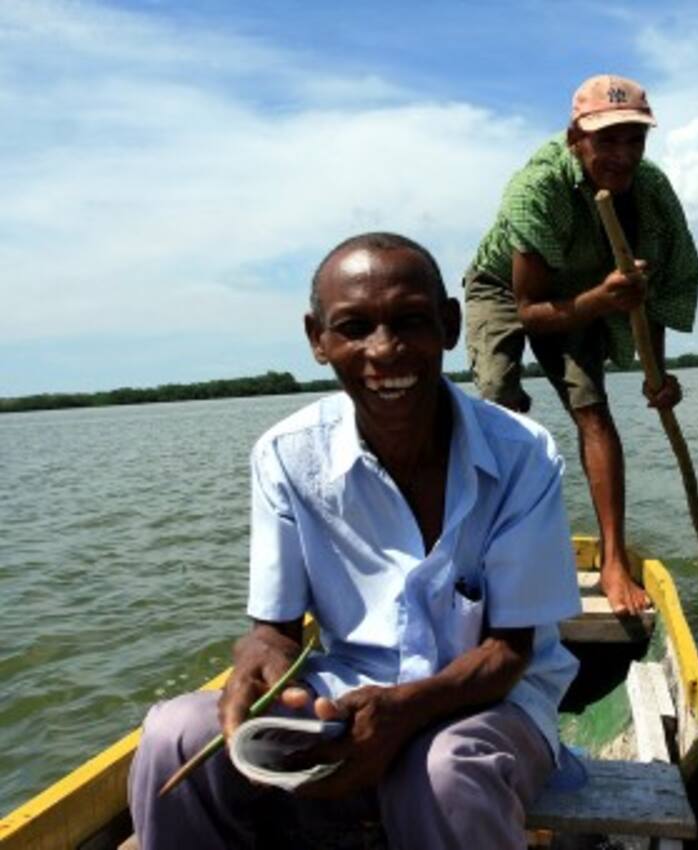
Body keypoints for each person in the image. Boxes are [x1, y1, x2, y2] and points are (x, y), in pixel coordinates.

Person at [128, 233, 582, 850]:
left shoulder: (524, 455)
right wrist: (254, 664)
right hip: (344, 693)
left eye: (411, 322)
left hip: (490, 703)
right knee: (173, 735)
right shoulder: (286, 457)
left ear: (449, 324)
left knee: (445, 770)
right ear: (319, 340)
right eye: (355, 327)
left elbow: (509, 652)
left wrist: (405, 712)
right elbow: (275, 631)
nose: (385, 350)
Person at [464, 73, 698, 615]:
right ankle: (492, 552)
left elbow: (653, 294)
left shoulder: (651, 195)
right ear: (576, 137)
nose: (621, 156)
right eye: (606, 140)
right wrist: (601, 299)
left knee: (593, 410)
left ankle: (614, 561)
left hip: (587, 288)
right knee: (501, 404)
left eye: (634, 140)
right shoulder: (538, 187)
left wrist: (656, 376)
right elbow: (529, 312)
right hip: (508, 287)